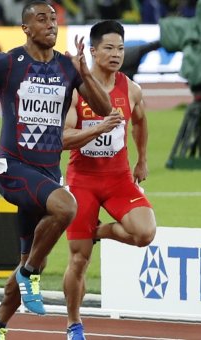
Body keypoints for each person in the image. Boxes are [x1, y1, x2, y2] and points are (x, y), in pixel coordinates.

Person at [0, 1, 112, 339]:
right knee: (66, 207)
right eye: (41, 19)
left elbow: (103, 108)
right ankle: (28, 274)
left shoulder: (67, 68)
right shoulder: (7, 63)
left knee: (33, 260)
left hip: (46, 176)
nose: (51, 25)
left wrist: (85, 72)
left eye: (54, 19)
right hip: (12, 169)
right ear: (26, 28)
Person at [62, 20, 157, 340]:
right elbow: (64, 136)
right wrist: (97, 129)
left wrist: (142, 159)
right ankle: (74, 323)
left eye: (120, 48)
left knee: (145, 233)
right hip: (82, 180)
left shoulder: (131, 89)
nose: (116, 54)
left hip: (118, 178)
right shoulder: (76, 90)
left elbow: (141, 122)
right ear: (92, 51)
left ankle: (98, 232)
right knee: (79, 258)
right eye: (109, 48)